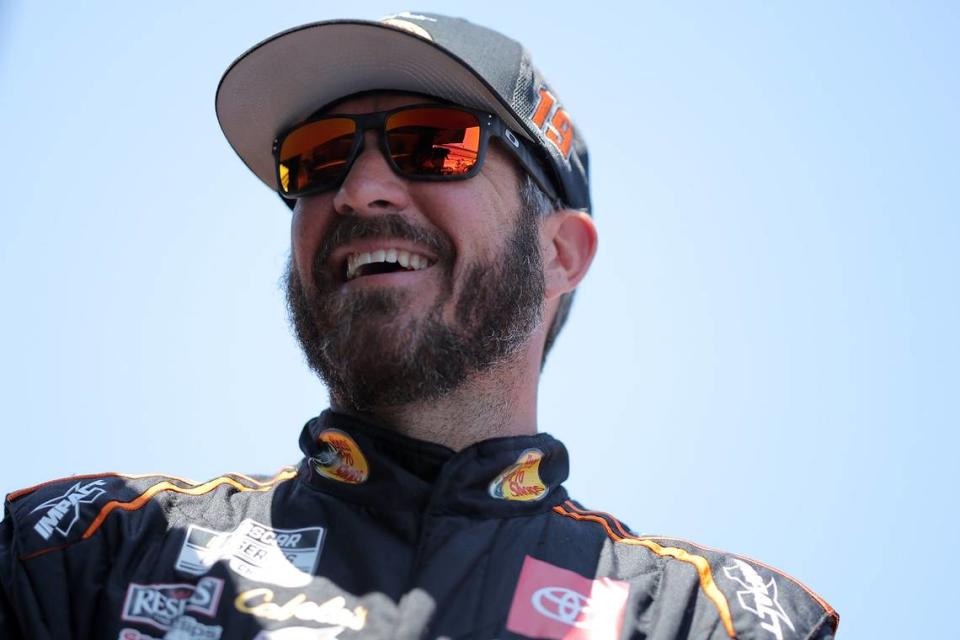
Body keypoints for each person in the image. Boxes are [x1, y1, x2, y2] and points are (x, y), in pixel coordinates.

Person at [0, 12, 838, 640]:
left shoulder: (713, 620)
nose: (358, 190)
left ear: (561, 254)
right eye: (318, 159)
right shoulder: (84, 553)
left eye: (434, 144)